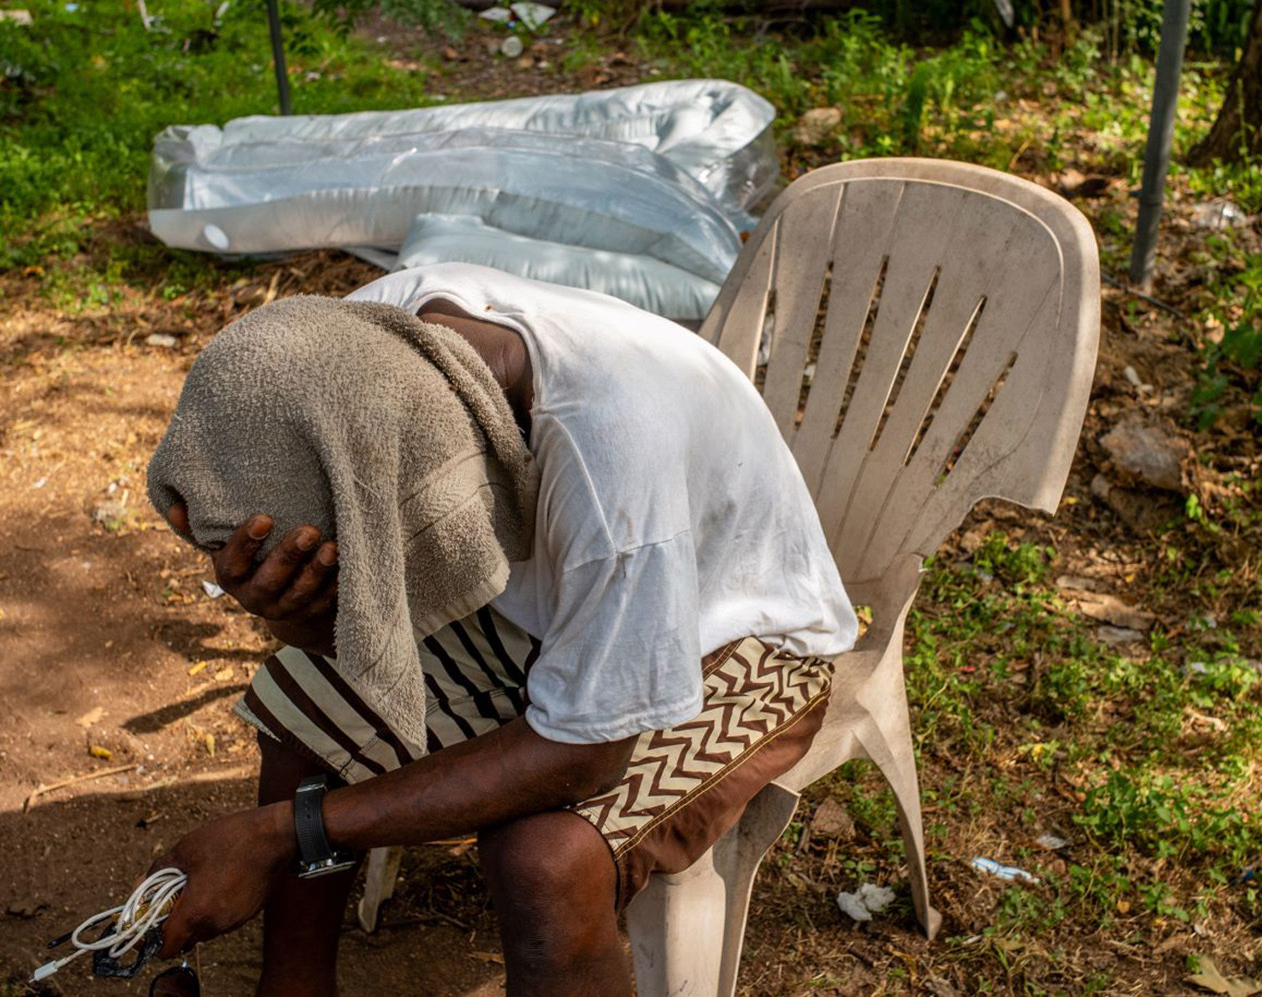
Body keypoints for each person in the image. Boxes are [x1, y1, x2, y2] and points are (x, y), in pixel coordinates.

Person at [142, 263, 856, 997]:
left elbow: (584, 756)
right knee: (308, 708)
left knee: (546, 860)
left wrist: (286, 832)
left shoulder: (613, 475)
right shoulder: (349, 351)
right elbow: (349, 630)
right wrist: (290, 613)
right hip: (550, 610)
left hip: (735, 632)